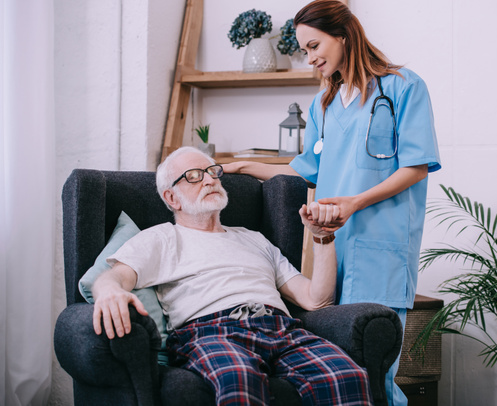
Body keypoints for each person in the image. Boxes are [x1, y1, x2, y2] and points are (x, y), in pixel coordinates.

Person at [223, 1, 441, 404]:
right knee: (341, 373)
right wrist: (246, 166)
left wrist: (354, 203)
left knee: (378, 375)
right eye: (304, 51)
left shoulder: (403, 87)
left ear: (342, 34)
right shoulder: (323, 104)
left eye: (313, 46)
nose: (310, 59)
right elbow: (308, 171)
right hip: (329, 252)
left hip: (381, 250)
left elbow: (416, 167)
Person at [91, 146, 373, 406]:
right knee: (238, 381)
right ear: (171, 197)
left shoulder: (255, 239)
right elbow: (114, 277)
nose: (210, 180)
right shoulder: (161, 238)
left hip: (282, 328)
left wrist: (323, 237)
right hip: (211, 332)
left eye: (213, 172)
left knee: (348, 377)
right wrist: (109, 292)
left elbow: (317, 300)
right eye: (194, 176)